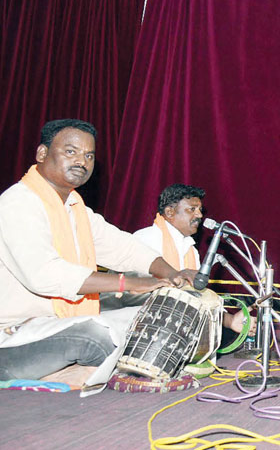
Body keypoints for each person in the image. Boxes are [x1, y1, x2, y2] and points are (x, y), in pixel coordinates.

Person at [0, 119, 190, 384]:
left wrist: (172, 273)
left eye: (88, 155)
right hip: (14, 337)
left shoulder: (76, 209)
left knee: (152, 316)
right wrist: (127, 282)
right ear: (42, 154)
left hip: (55, 327)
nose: (81, 161)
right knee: (95, 337)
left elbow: (123, 247)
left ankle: (76, 375)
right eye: (71, 152)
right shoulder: (17, 203)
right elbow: (44, 274)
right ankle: (71, 376)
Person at [126, 183, 248, 335]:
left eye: (200, 210)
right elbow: (132, 293)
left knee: (226, 335)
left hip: (177, 321)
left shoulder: (190, 248)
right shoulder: (146, 238)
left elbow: (197, 296)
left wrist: (230, 320)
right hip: (143, 322)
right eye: (192, 209)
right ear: (170, 212)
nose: (199, 215)